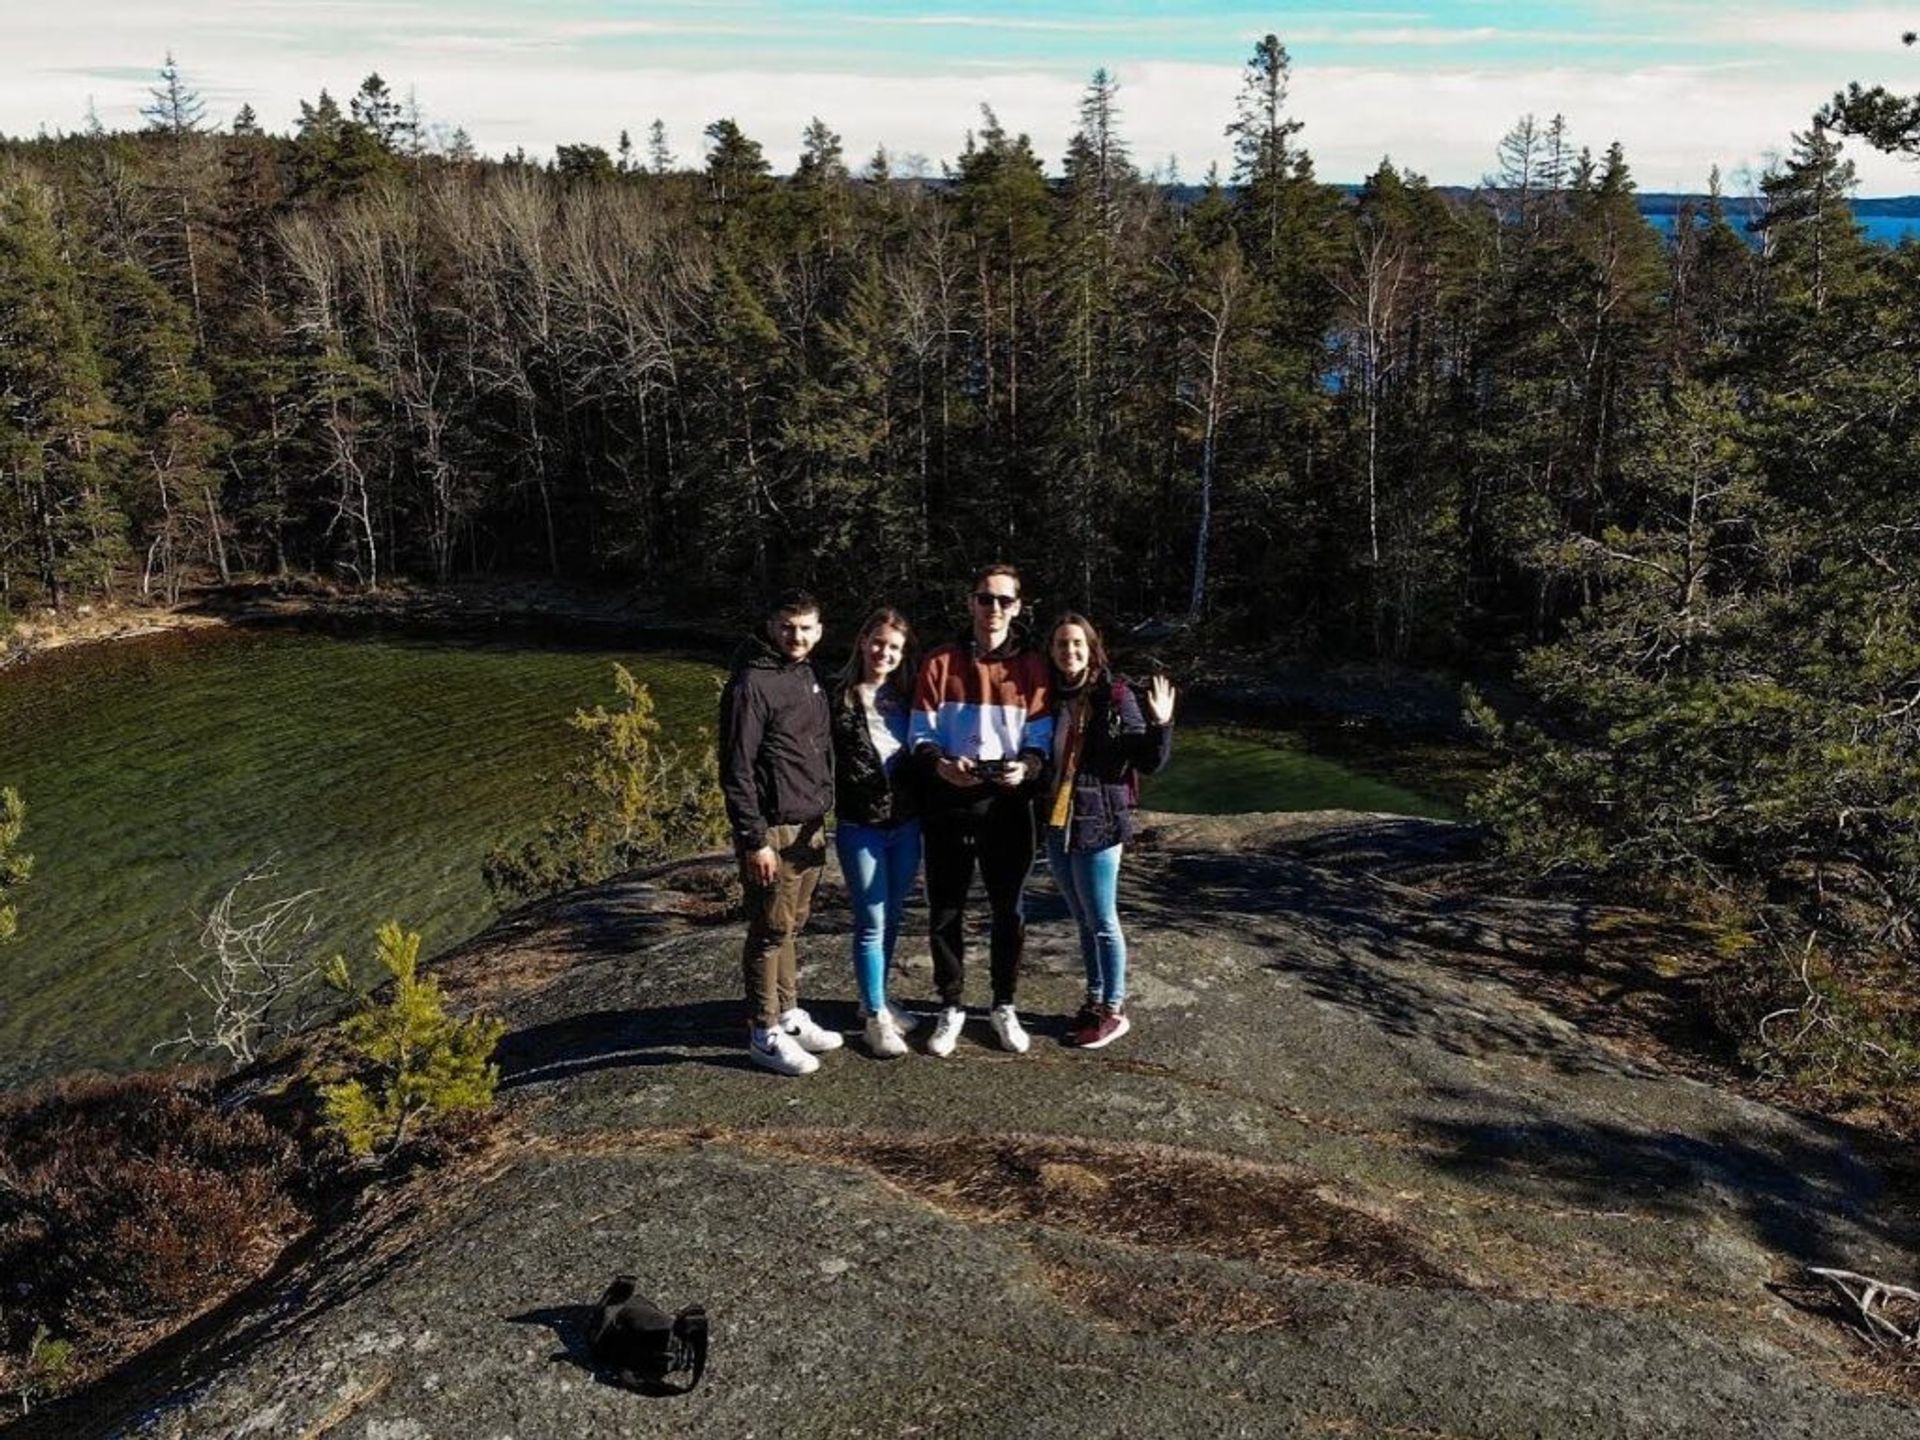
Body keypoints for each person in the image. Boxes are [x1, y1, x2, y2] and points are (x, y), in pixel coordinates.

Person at [910, 564, 1053, 1057]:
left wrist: (1028, 768)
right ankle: (951, 1004)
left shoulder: (1033, 666)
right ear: (970, 602)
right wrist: (941, 765)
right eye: (985, 599)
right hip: (949, 798)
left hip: (1007, 804)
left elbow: (1041, 734)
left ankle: (1003, 1004)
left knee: (1007, 909)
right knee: (945, 908)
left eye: (1004, 601)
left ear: (1018, 607)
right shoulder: (939, 661)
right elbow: (920, 732)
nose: (994, 609)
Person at [719, 589, 843, 1076]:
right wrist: (754, 839)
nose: (797, 636)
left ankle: (788, 1012)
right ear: (772, 626)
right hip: (773, 829)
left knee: (792, 924)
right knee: (769, 929)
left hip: (810, 825)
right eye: (788, 626)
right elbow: (737, 769)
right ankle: (763, 1031)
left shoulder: (806, 674)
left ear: (819, 629)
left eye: (807, 627)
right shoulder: (751, 682)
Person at [1042, 614, 1175, 1049]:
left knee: (1102, 920)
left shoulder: (1116, 696)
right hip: (1058, 821)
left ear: (1092, 648)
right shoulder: (1050, 696)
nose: (1070, 652)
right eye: (1062, 644)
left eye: (1077, 644)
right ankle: (1095, 997)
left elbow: (1148, 760)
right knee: (1080, 917)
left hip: (1099, 822)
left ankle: (1114, 1010)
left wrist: (1161, 726)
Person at [830, 608, 924, 1059]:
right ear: (863, 640)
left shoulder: (909, 698)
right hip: (859, 825)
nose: (883, 652)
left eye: (894, 647)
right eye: (878, 642)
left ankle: (879, 999)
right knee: (870, 919)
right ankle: (874, 1018)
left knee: (893, 914)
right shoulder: (837, 697)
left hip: (905, 825)